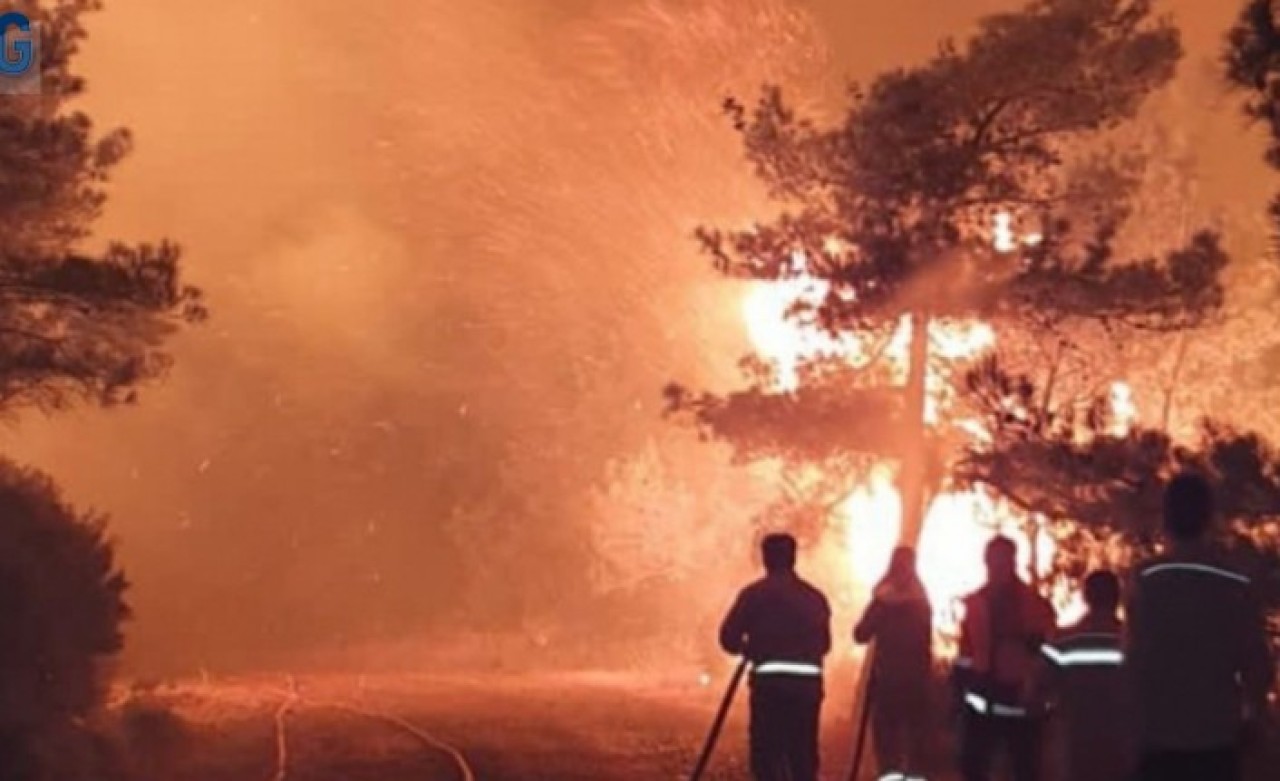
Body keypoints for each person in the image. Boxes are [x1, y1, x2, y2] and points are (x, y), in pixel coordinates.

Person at [1127, 472, 1275, 781]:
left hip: (1158, 739)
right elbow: (1255, 664)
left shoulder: (1146, 579)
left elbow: (1134, 659)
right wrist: (1256, 718)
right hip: (1216, 739)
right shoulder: (1235, 584)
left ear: (1165, 517)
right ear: (1209, 517)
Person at [719, 532, 832, 781]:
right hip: (807, 689)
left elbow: (728, 637)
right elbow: (825, 645)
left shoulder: (753, 595)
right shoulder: (814, 598)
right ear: (793, 558)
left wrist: (748, 648)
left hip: (769, 687)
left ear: (766, 558)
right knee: (802, 754)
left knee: (766, 754)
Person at [954, 535, 1056, 781]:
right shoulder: (978, 604)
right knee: (981, 769)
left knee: (1017, 770)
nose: (994, 566)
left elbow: (1046, 653)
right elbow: (967, 654)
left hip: (1015, 701)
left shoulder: (1031, 605)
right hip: (992, 701)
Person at [1036, 570, 1133, 781]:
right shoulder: (1135, 644)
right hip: (1124, 745)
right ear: (1118, 597)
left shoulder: (1061, 643)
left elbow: (1035, 691)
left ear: (1085, 597)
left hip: (1075, 745)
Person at [854, 546, 933, 780]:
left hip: (887, 681)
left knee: (887, 741)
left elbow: (860, 634)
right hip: (917, 682)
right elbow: (925, 642)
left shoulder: (883, 601)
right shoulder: (922, 602)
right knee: (916, 741)